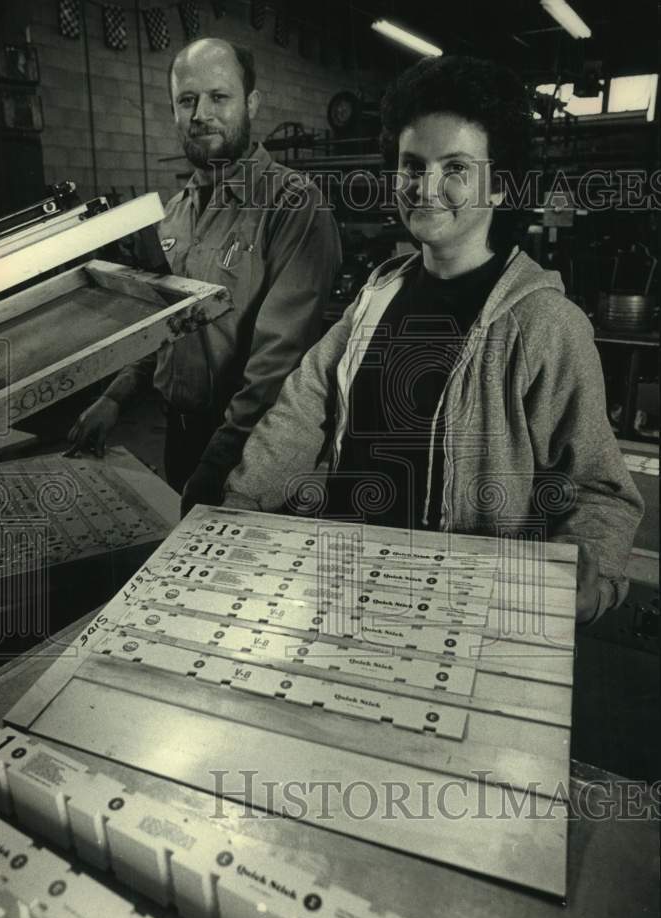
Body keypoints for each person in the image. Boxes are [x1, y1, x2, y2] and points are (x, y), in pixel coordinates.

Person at [221, 55, 644, 624]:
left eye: (455, 168)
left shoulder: (546, 325)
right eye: (412, 164)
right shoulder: (377, 293)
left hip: (466, 615)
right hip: (346, 586)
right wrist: (239, 507)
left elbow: (601, 490)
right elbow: (302, 407)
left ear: (499, 187)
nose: (425, 187)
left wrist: (589, 577)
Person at [68, 38, 341, 514]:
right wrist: (116, 397)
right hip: (180, 435)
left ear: (251, 103)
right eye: (187, 100)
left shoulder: (293, 206)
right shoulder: (174, 214)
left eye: (219, 97)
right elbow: (165, 326)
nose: (201, 114)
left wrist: (217, 467)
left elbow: (277, 365)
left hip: (254, 449)